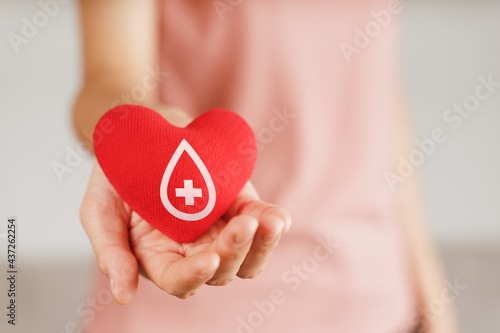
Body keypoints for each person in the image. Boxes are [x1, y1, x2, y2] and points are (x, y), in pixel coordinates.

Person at [73, 0, 458, 332]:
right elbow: (110, 76)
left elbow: (375, 93)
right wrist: (136, 142)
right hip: (183, 299)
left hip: (371, 297)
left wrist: (429, 279)